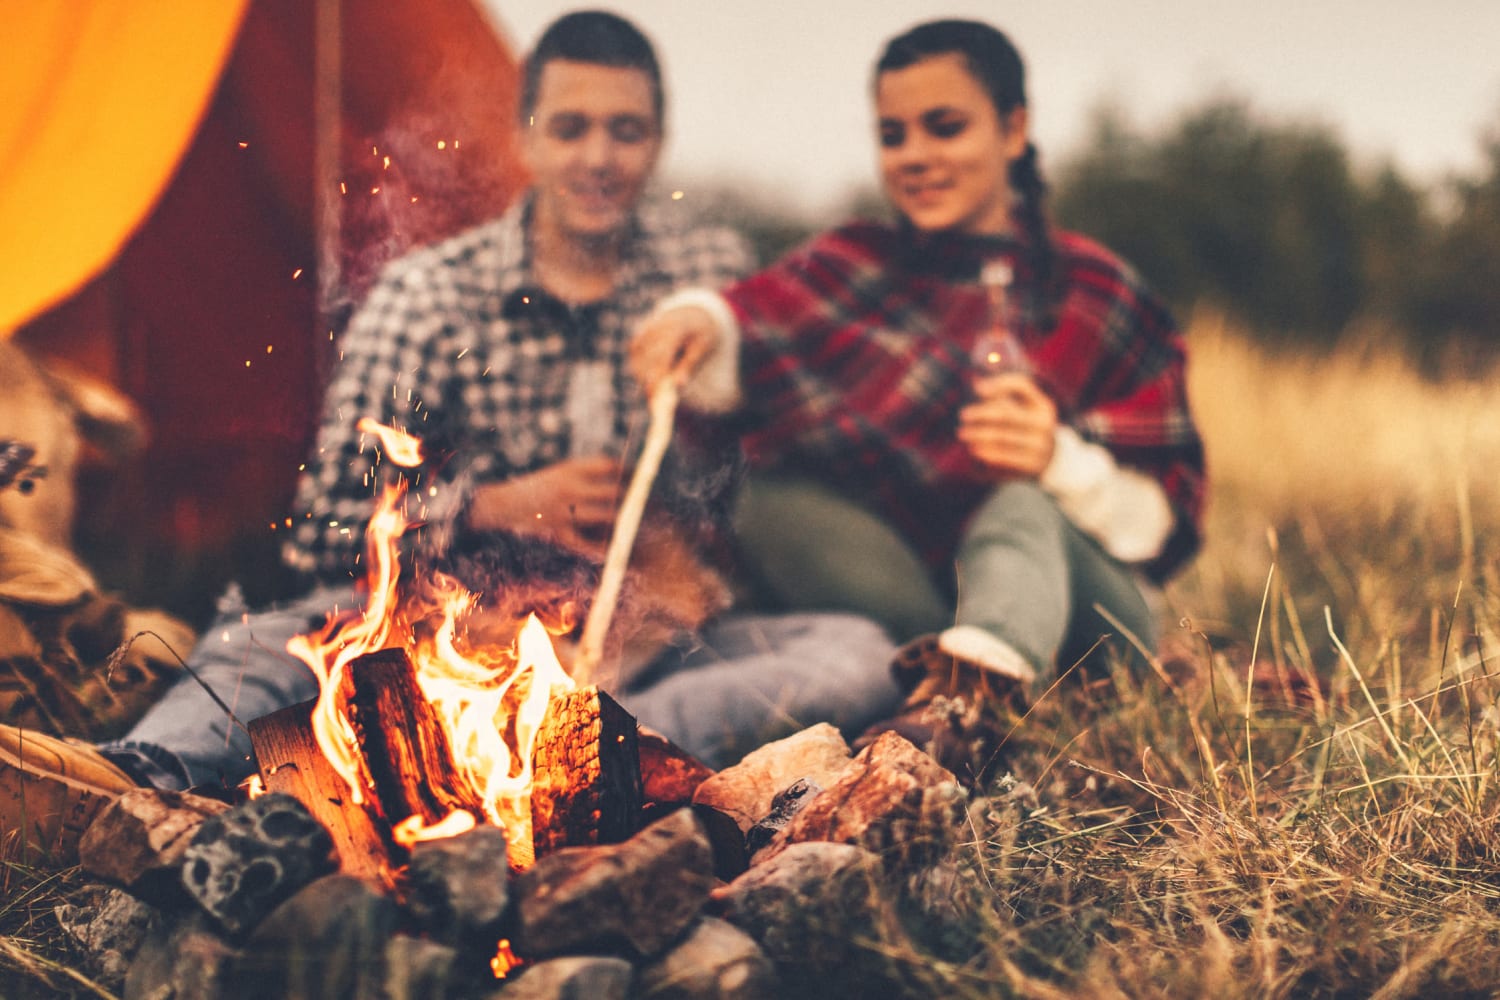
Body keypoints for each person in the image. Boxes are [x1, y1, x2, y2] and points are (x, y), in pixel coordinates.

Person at [1, 10, 901, 861]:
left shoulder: (702, 278)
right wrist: (497, 505)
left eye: (625, 132)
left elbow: (764, 454)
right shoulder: (429, 296)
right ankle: (125, 784)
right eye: (571, 126)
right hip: (444, 630)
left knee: (852, 652)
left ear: (656, 141)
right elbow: (323, 526)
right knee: (262, 643)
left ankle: (548, 762)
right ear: (527, 134)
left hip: (642, 648)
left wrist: (694, 524)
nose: (598, 157)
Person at [632, 18, 1205, 776]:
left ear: (1014, 127)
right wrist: (695, 321)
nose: (918, 157)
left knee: (1018, 503)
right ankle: (931, 674)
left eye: (946, 127)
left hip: (1087, 628)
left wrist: (1061, 463)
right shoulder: (858, 263)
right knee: (763, 495)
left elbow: (1162, 529)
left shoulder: (1096, 291)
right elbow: (748, 321)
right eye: (895, 134)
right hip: (921, 606)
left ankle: (969, 705)